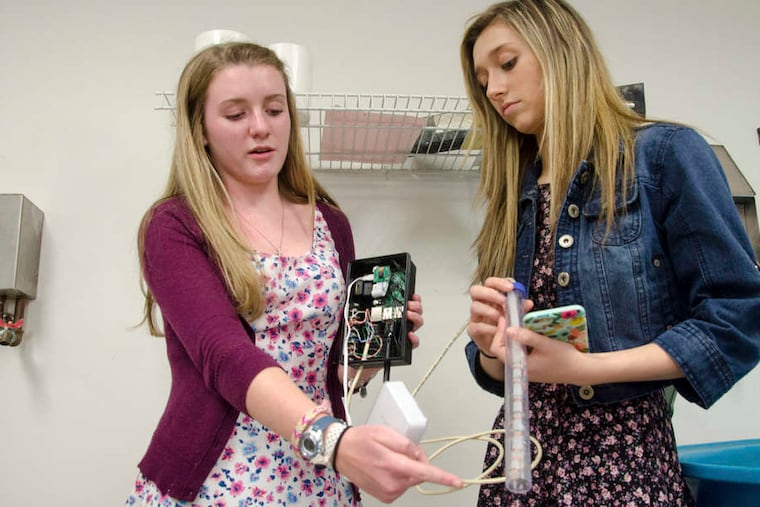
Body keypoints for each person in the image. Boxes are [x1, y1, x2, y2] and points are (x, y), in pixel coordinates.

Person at [126, 41, 462, 506]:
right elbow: (224, 355)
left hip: (319, 474)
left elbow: (329, 372)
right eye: (235, 114)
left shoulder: (330, 223)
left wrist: (370, 354)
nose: (260, 127)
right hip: (222, 477)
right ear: (200, 129)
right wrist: (334, 442)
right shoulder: (175, 225)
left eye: (274, 109)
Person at [460, 1, 760, 505]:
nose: (493, 89)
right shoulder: (516, 190)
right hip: (517, 465)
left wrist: (585, 371)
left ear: (562, 53)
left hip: (624, 465)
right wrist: (493, 347)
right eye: (483, 77)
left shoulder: (664, 155)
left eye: (507, 63)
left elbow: (737, 317)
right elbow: (498, 367)